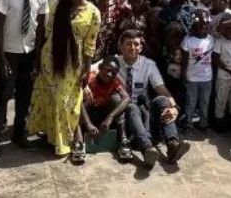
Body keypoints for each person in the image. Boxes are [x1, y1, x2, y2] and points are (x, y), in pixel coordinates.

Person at [29, 0, 101, 162]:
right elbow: (48, 33)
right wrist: (38, 62)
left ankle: (69, 141)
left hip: (73, 64)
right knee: (51, 99)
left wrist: (86, 69)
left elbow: (90, 45)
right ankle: (54, 138)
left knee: (67, 102)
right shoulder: (57, 5)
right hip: (51, 59)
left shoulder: (93, 12)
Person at [0, 0, 49, 159]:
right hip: (9, 54)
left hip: (29, 53)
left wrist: (37, 58)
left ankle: (19, 133)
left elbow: (40, 29)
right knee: (3, 97)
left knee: (24, 96)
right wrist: (2, 58)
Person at [116, 29, 189, 168]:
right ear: (121, 46)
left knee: (162, 100)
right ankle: (147, 148)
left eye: (136, 44)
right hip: (125, 111)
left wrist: (173, 106)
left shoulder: (148, 64)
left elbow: (160, 88)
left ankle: (172, 144)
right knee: (131, 106)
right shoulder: (114, 62)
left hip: (143, 107)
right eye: (128, 44)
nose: (133, 48)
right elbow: (92, 71)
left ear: (141, 47)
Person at [80, 56, 133, 163]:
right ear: (100, 67)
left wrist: (110, 117)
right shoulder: (89, 78)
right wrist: (88, 123)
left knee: (117, 99)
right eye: (108, 70)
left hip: (103, 118)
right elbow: (77, 101)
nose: (110, 74)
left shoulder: (114, 81)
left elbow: (126, 97)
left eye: (113, 73)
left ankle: (123, 140)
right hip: (87, 116)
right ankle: (79, 142)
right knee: (80, 101)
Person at [180, 11, 214, 130]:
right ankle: (188, 123)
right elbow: (184, 61)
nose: (204, 27)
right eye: (200, 25)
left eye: (206, 24)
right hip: (192, 78)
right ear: (194, 26)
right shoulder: (188, 40)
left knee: (205, 102)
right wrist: (184, 76)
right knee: (191, 102)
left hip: (207, 78)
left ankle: (203, 123)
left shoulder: (211, 39)